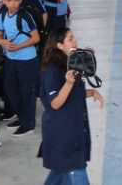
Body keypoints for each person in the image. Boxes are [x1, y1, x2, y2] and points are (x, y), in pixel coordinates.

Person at [39, 28, 104, 185]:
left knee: (59, 173)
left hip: (75, 130)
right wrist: (69, 83)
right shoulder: (52, 70)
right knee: (75, 172)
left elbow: (73, 94)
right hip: (63, 135)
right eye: (70, 39)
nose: (75, 41)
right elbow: (55, 103)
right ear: (59, 45)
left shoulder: (70, 64)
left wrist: (90, 92)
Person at [0, 0, 41, 137]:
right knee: (11, 89)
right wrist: (2, 42)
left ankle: (28, 125)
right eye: (9, 0)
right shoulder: (2, 14)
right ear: (4, 1)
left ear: (21, 0)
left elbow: (36, 38)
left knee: (27, 92)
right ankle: (22, 117)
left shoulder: (24, 16)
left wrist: (19, 46)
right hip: (11, 59)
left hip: (27, 59)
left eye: (16, 0)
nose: (13, 3)